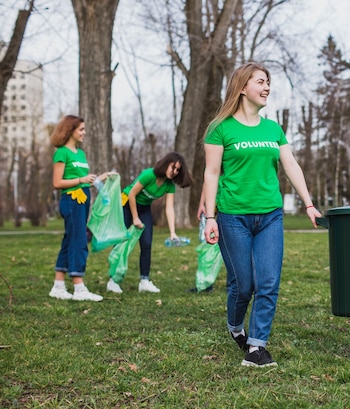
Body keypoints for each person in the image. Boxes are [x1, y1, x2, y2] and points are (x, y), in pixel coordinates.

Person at [202, 62, 322, 367]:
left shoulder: (273, 128)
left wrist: (308, 203)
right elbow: (212, 173)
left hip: (270, 215)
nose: (267, 87)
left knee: (268, 283)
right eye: (260, 82)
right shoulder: (220, 128)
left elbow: (291, 166)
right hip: (233, 217)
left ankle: (256, 347)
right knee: (244, 284)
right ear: (243, 87)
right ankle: (235, 326)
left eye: (268, 82)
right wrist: (211, 216)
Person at [106, 152, 192, 294]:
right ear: (166, 163)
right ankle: (113, 280)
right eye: (173, 167)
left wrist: (172, 232)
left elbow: (169, 208)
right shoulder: (149, 175)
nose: (174, 172)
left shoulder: (169, 185)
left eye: (178, 170)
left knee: (146, 243)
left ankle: (144, 281)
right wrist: (135, 218)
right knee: (121, 242)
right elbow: (132, 194)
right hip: (127, 204)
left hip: (144, 208)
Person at [49, 115, 112, 302]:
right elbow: (57, 182)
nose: (84, 133)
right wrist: (80, 180)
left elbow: (84, 182)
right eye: (81, 129)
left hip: (83, 199)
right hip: (70, 201)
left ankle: (58, 286)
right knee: (79, 241)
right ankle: (79, 287)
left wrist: (101, 178)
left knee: (70, 240)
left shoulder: (80, 154)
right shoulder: (62, 153)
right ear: (70, 130)